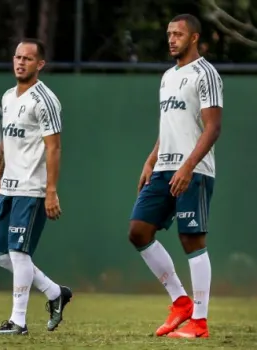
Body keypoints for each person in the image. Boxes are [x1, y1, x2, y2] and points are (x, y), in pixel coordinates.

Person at [129, 14, 223, 339]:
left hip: (193, 170)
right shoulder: (168, 76)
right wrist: (150, 159)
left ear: (194, 38)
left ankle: (200, 321)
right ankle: (180, 302)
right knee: (139, 232)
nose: (171, 39)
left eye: (178, 34)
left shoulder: (206, 74)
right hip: (163, 168)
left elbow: (213, 128)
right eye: (169, 33)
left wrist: (187, 167)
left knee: (191, 239)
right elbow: (167, 126)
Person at [0, 38, 72, 336]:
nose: (21, 62)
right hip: (8, 186)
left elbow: (54, 148)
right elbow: (6, 140)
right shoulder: (8, 96)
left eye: (28, 58)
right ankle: (54, 292)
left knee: (19, 253)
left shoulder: (45, 100)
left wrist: (51, 190)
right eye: (17, 57)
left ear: (40, 64)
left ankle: (18, 322)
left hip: (31, 188)